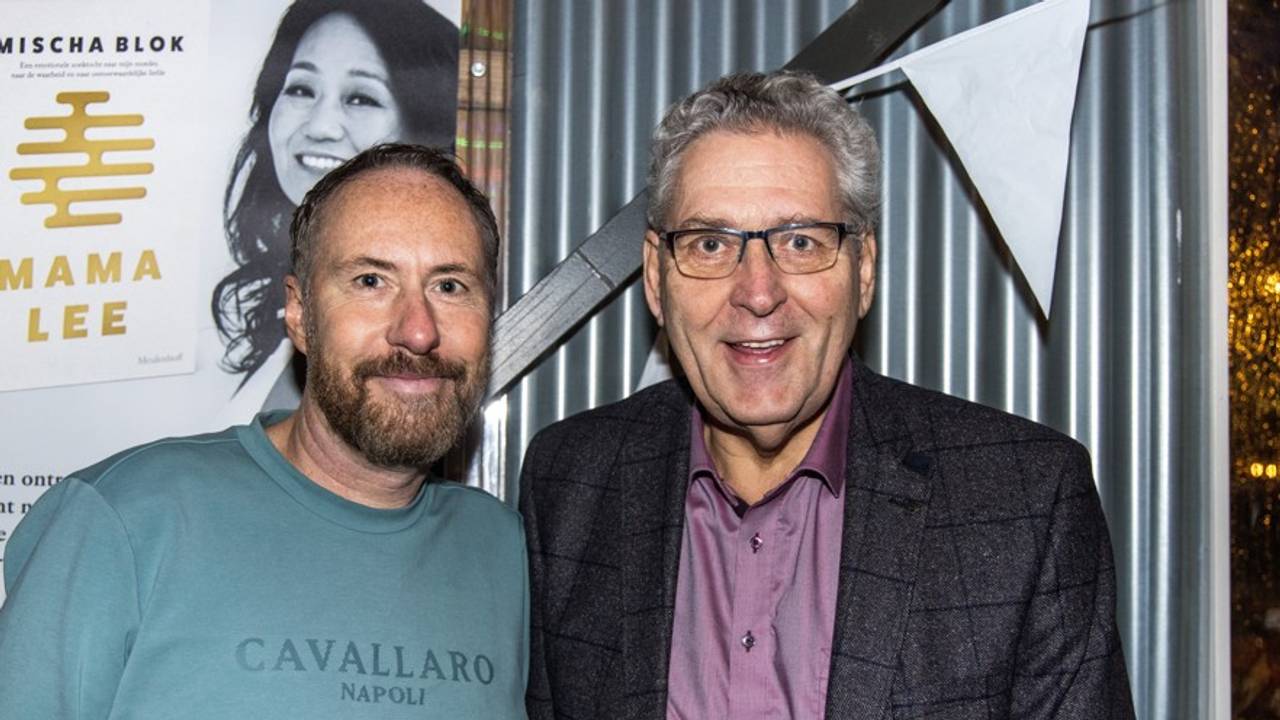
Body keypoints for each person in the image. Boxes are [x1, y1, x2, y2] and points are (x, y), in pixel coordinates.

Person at [519, 71, 1136, 719]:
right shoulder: (570, 484)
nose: (757, 292)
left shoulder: (1025, 502)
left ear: (862, 271)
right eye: (709, 243)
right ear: (655, 276)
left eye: (800, 241)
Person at [0, 144, 527, 719]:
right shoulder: (124, 519)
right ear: (300, 315)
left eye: (450, 286)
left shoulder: (506, 552)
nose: (418, 331)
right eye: (371, 280)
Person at [212, 0, 458, 395]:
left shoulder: (416, 347)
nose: (321, 126)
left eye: (361, 98)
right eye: (301, 89)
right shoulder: (261, 312)